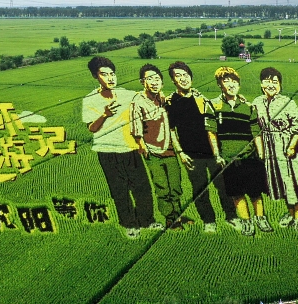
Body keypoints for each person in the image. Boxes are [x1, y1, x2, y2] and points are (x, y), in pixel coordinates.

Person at [82, 57, 159, 239]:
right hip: (107, 152)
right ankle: (129, 225)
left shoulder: (127, 94)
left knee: (142, 188)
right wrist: (105, 114)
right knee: (119, 191)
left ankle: (147, 221)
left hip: (130, 149)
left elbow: (149, 99)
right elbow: (91, 128)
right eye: (104, 74)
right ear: (95, 76)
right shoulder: (90, 100)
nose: (110, 78)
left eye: (112, 74)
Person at [166, 61, 238, 233]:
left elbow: (213, 125)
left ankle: (231, 217)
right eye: (178, 76)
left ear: (190, 76)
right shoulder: (171, 102)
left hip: (212, 152)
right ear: (173, 80)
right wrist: (181, 152)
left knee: (223, 186)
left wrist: (218, 152)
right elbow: (171, 130)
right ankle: (209, 221)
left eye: (185, 74)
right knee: (199, 190)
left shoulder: (202, 99)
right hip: (191, 154)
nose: (183, 79)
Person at [210, 66, 272, 236]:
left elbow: (256, 133)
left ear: (239, 84)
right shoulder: (214, 106)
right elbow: (212, 132)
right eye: (226, 80)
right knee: (237, 194)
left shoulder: (249, 107)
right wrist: (217, 154)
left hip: (250, 157)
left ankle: (261, 218)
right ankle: (247, 222)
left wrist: (261, 155)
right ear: (219, 84)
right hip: (229, 159)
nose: (231, 84)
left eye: (234, 81)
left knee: (255, 192)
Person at [252, 67, 298, 233]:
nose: (271, 85)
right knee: (283, 186)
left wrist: (292, 146)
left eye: (275, 82)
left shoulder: (288, 102)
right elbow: (253, 125)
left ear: (280, 85)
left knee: (296, 184)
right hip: (270, 150)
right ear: (261, 83)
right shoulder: (257, 102)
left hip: (288, 148)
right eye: (267, 81)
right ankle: (290, 213)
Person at [130, 64, 185, 230]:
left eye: (157, 78)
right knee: (162, 187)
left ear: (162, 82)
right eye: (149, 79)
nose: (154, 82)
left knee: (175, 186)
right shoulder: (138, 102)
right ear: (142, 82)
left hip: (169, 149)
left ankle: (177, 215)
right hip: (152, 151)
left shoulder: (163, 100)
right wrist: (143, 147)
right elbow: (136, 128)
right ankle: (171, 219)